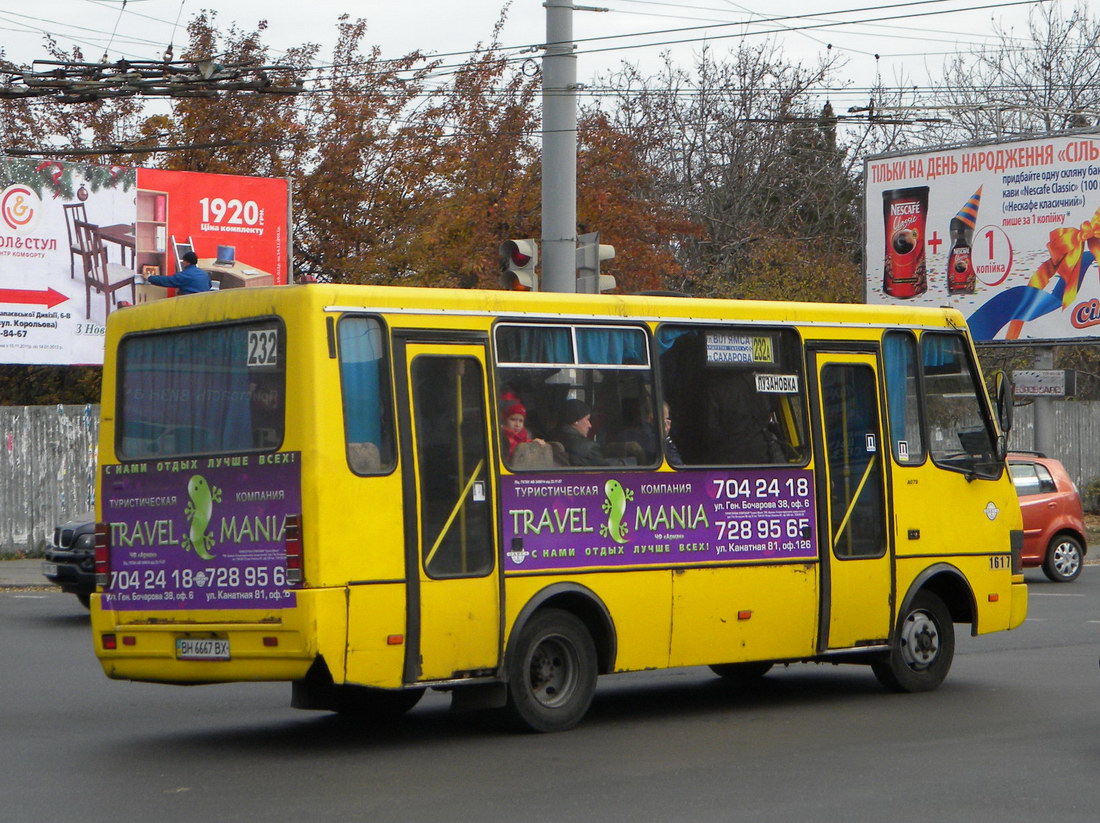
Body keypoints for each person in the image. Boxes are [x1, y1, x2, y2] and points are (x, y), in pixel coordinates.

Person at [553, 398, 610, 466]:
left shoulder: (552, 437)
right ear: (576, 420)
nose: (590, 425)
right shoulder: (589, 447)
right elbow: (607, 472)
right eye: (587, 419)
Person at [147, 251, 212, 295]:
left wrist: (149, 278)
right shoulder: (205, 274)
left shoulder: (184, 275)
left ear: (187, 262)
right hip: (204, 305)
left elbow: (167, 281)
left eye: (183, 261)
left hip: (189, 304)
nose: (183, 262)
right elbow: (210, 285)